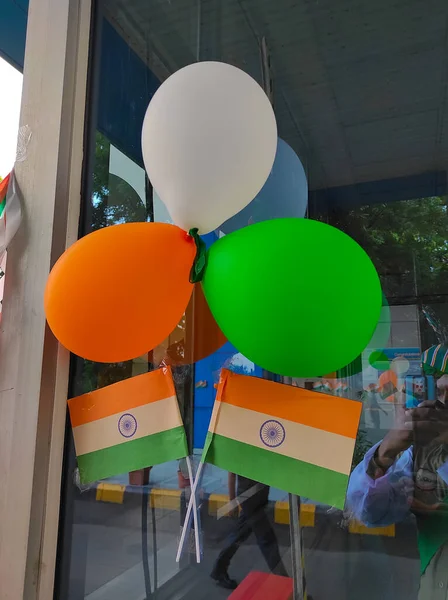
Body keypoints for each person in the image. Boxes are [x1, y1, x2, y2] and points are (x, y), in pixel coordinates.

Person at [347, 374, 448, 599]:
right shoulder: (418, 453)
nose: (443, 402)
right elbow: (370, 512)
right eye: (438, 392)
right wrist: (386, 452)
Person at [211, 473, 289, 589]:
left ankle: (219, 569)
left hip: (258, 494)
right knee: (267, 540)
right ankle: (286, 584)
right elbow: (232, 474)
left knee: (240, 533)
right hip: (250, 497)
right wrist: (232, 502)